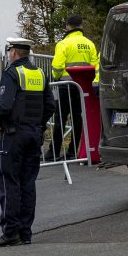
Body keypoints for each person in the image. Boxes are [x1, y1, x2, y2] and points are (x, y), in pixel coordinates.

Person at [0, 37, 52, 247]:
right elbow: (50, 105)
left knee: (10, 182)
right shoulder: (40, 73)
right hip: (34, 134)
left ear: (14, 52)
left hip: (14, 135)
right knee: (28, 183)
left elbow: (4, 105)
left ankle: (10, 232)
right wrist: (39, 125)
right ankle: (25, 233)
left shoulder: (12, 73)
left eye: (9, 51)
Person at [49, 12, 100, 160]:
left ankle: (53, 153)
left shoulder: (63, 44)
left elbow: (57, 66)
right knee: (77, 118)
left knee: (60, 119)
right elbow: (94, 66)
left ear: (67, 27)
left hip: (65, 85)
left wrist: (56, 77)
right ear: (81, 26)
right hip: (82, 87)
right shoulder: (89, 44)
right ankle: (72, 152)